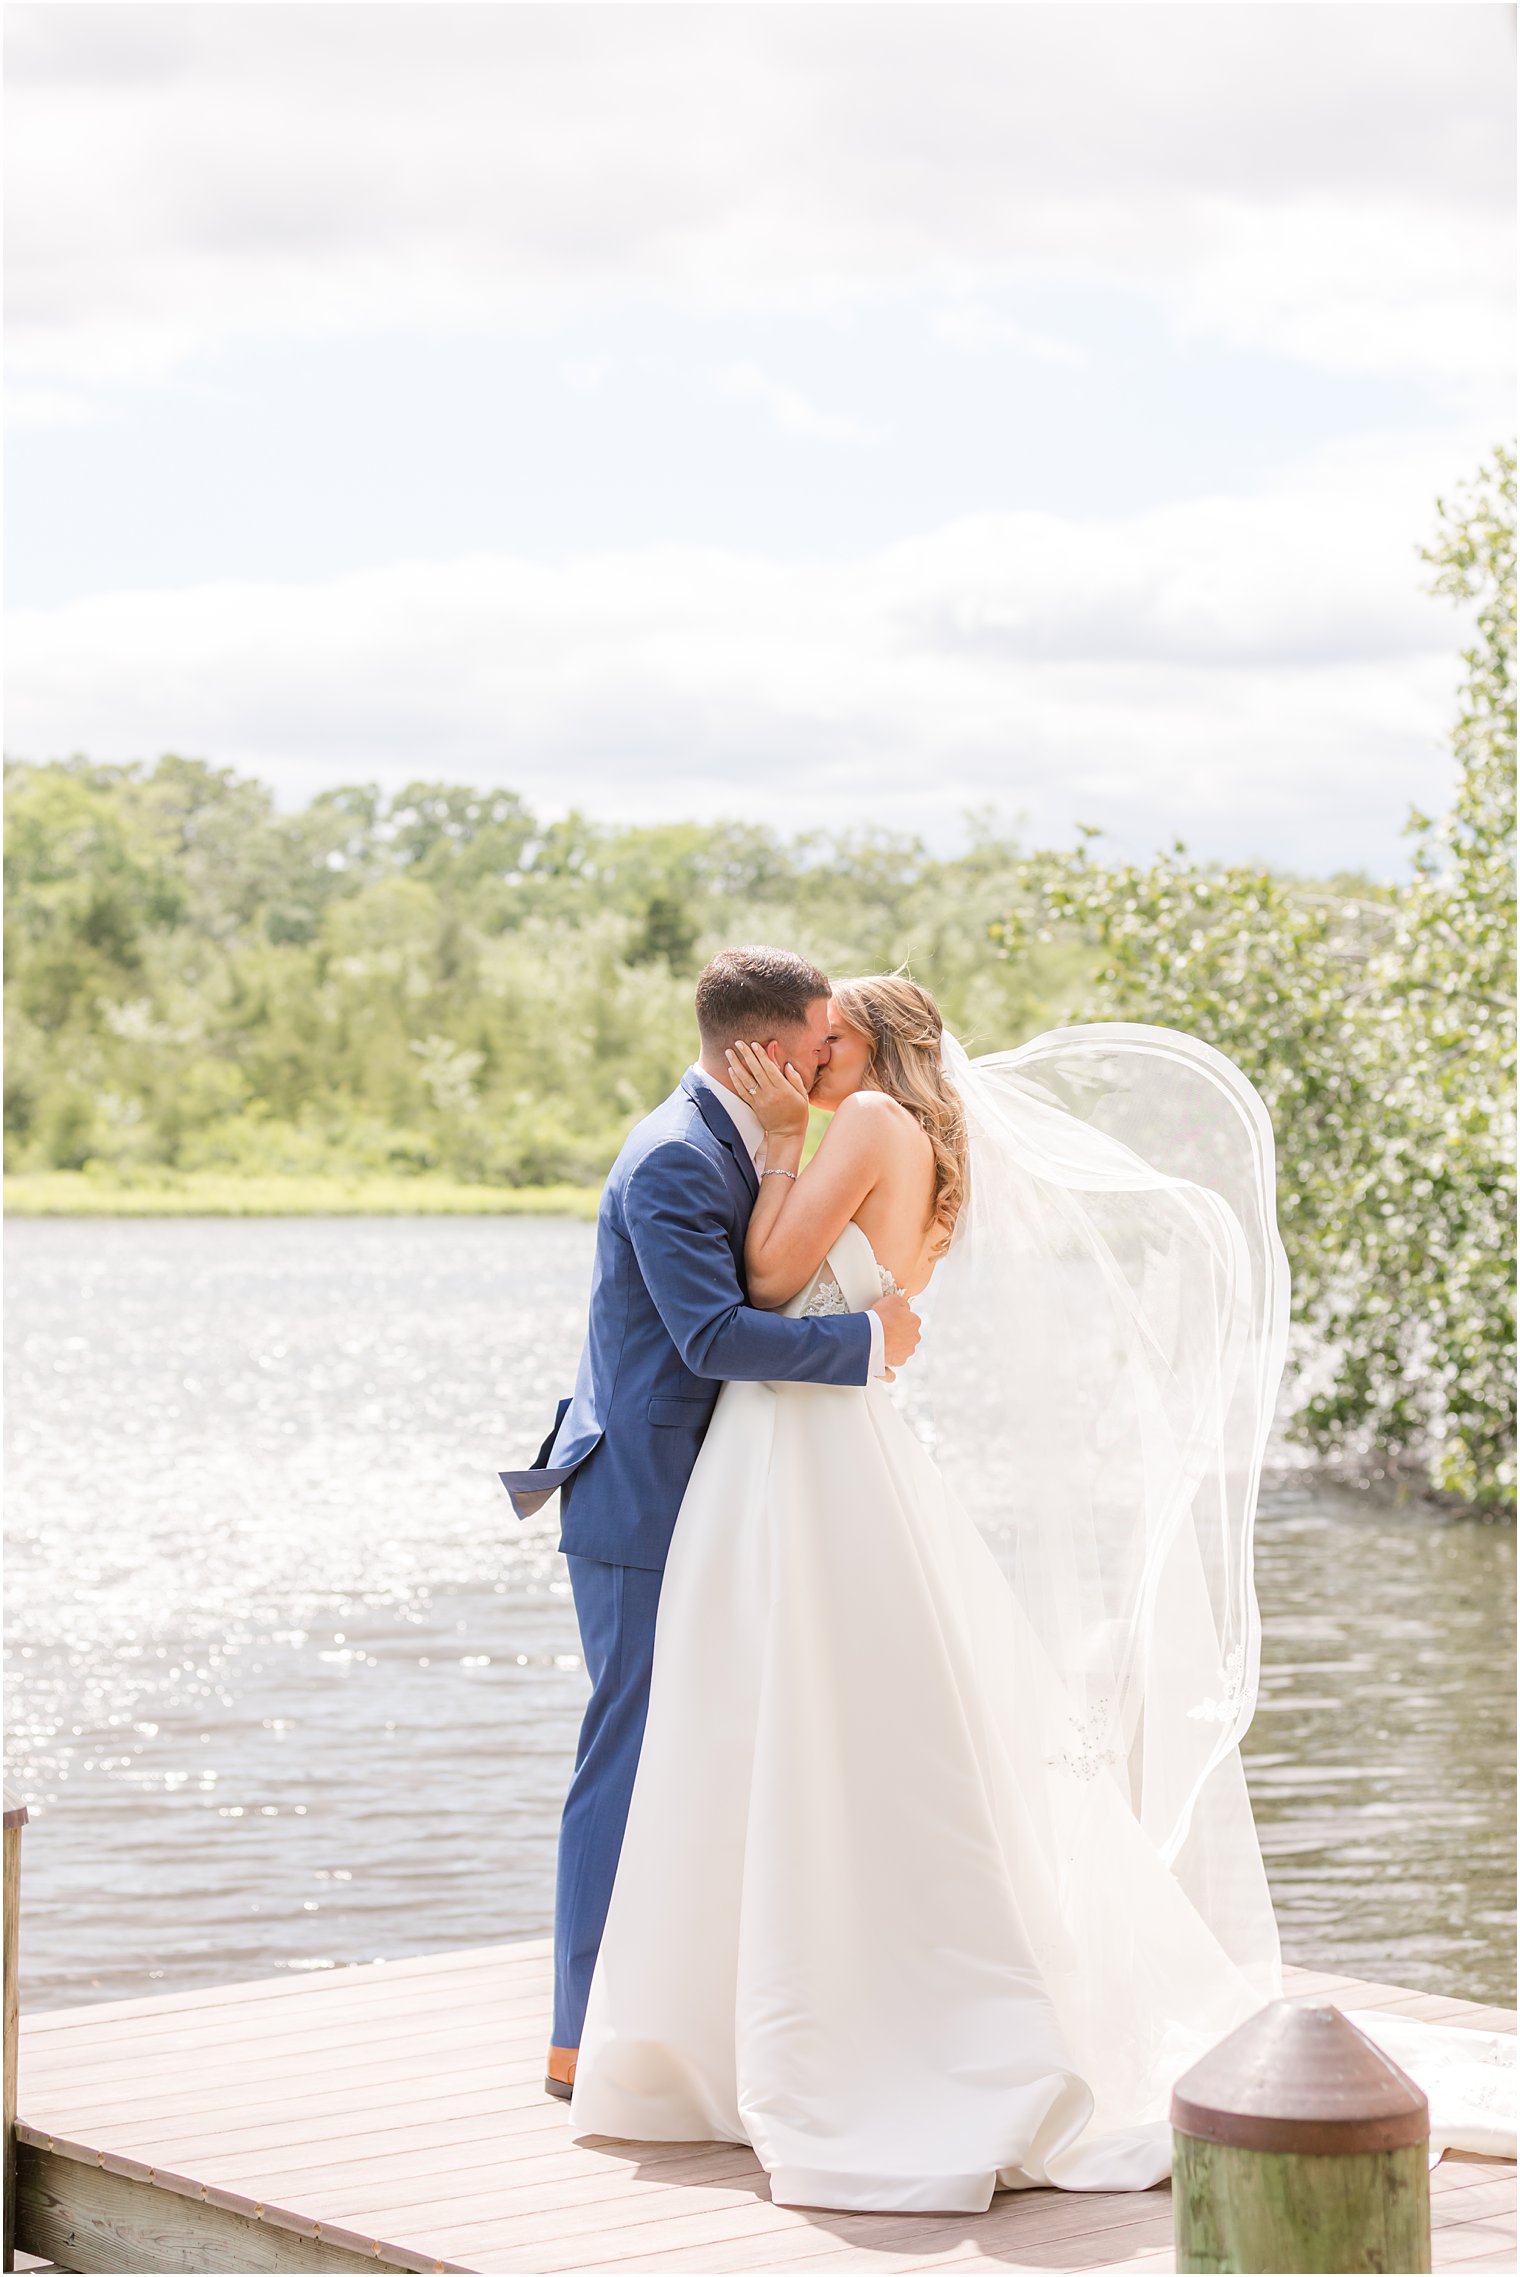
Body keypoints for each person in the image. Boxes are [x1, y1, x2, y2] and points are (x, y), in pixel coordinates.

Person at [562, 973, 1514, 2207]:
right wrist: (845, 1286)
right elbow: (819, 1299)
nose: (807, 1063)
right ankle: (754, 2001)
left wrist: (789, 1150)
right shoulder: (905, 1137)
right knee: (806, 1724)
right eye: (807, 1044)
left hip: (804, 1450)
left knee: (794, 1722)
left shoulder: (852, 1129)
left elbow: (757, 1282)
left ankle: (817, 2016)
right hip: (813, 1448)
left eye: (829, 1042)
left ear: (863, 1049)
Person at [499, 948, 922, 2101]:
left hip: (720, 1494)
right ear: (771, 1050)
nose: (829, 1055)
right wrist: (864, 1344)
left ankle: (701, 2008)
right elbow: (712, 1339)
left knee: (713, 1762)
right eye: (820, 1037)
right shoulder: (679, 1157)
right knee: (626, 1761)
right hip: (641, 1498)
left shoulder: (741, 1140)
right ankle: (576, 2037)